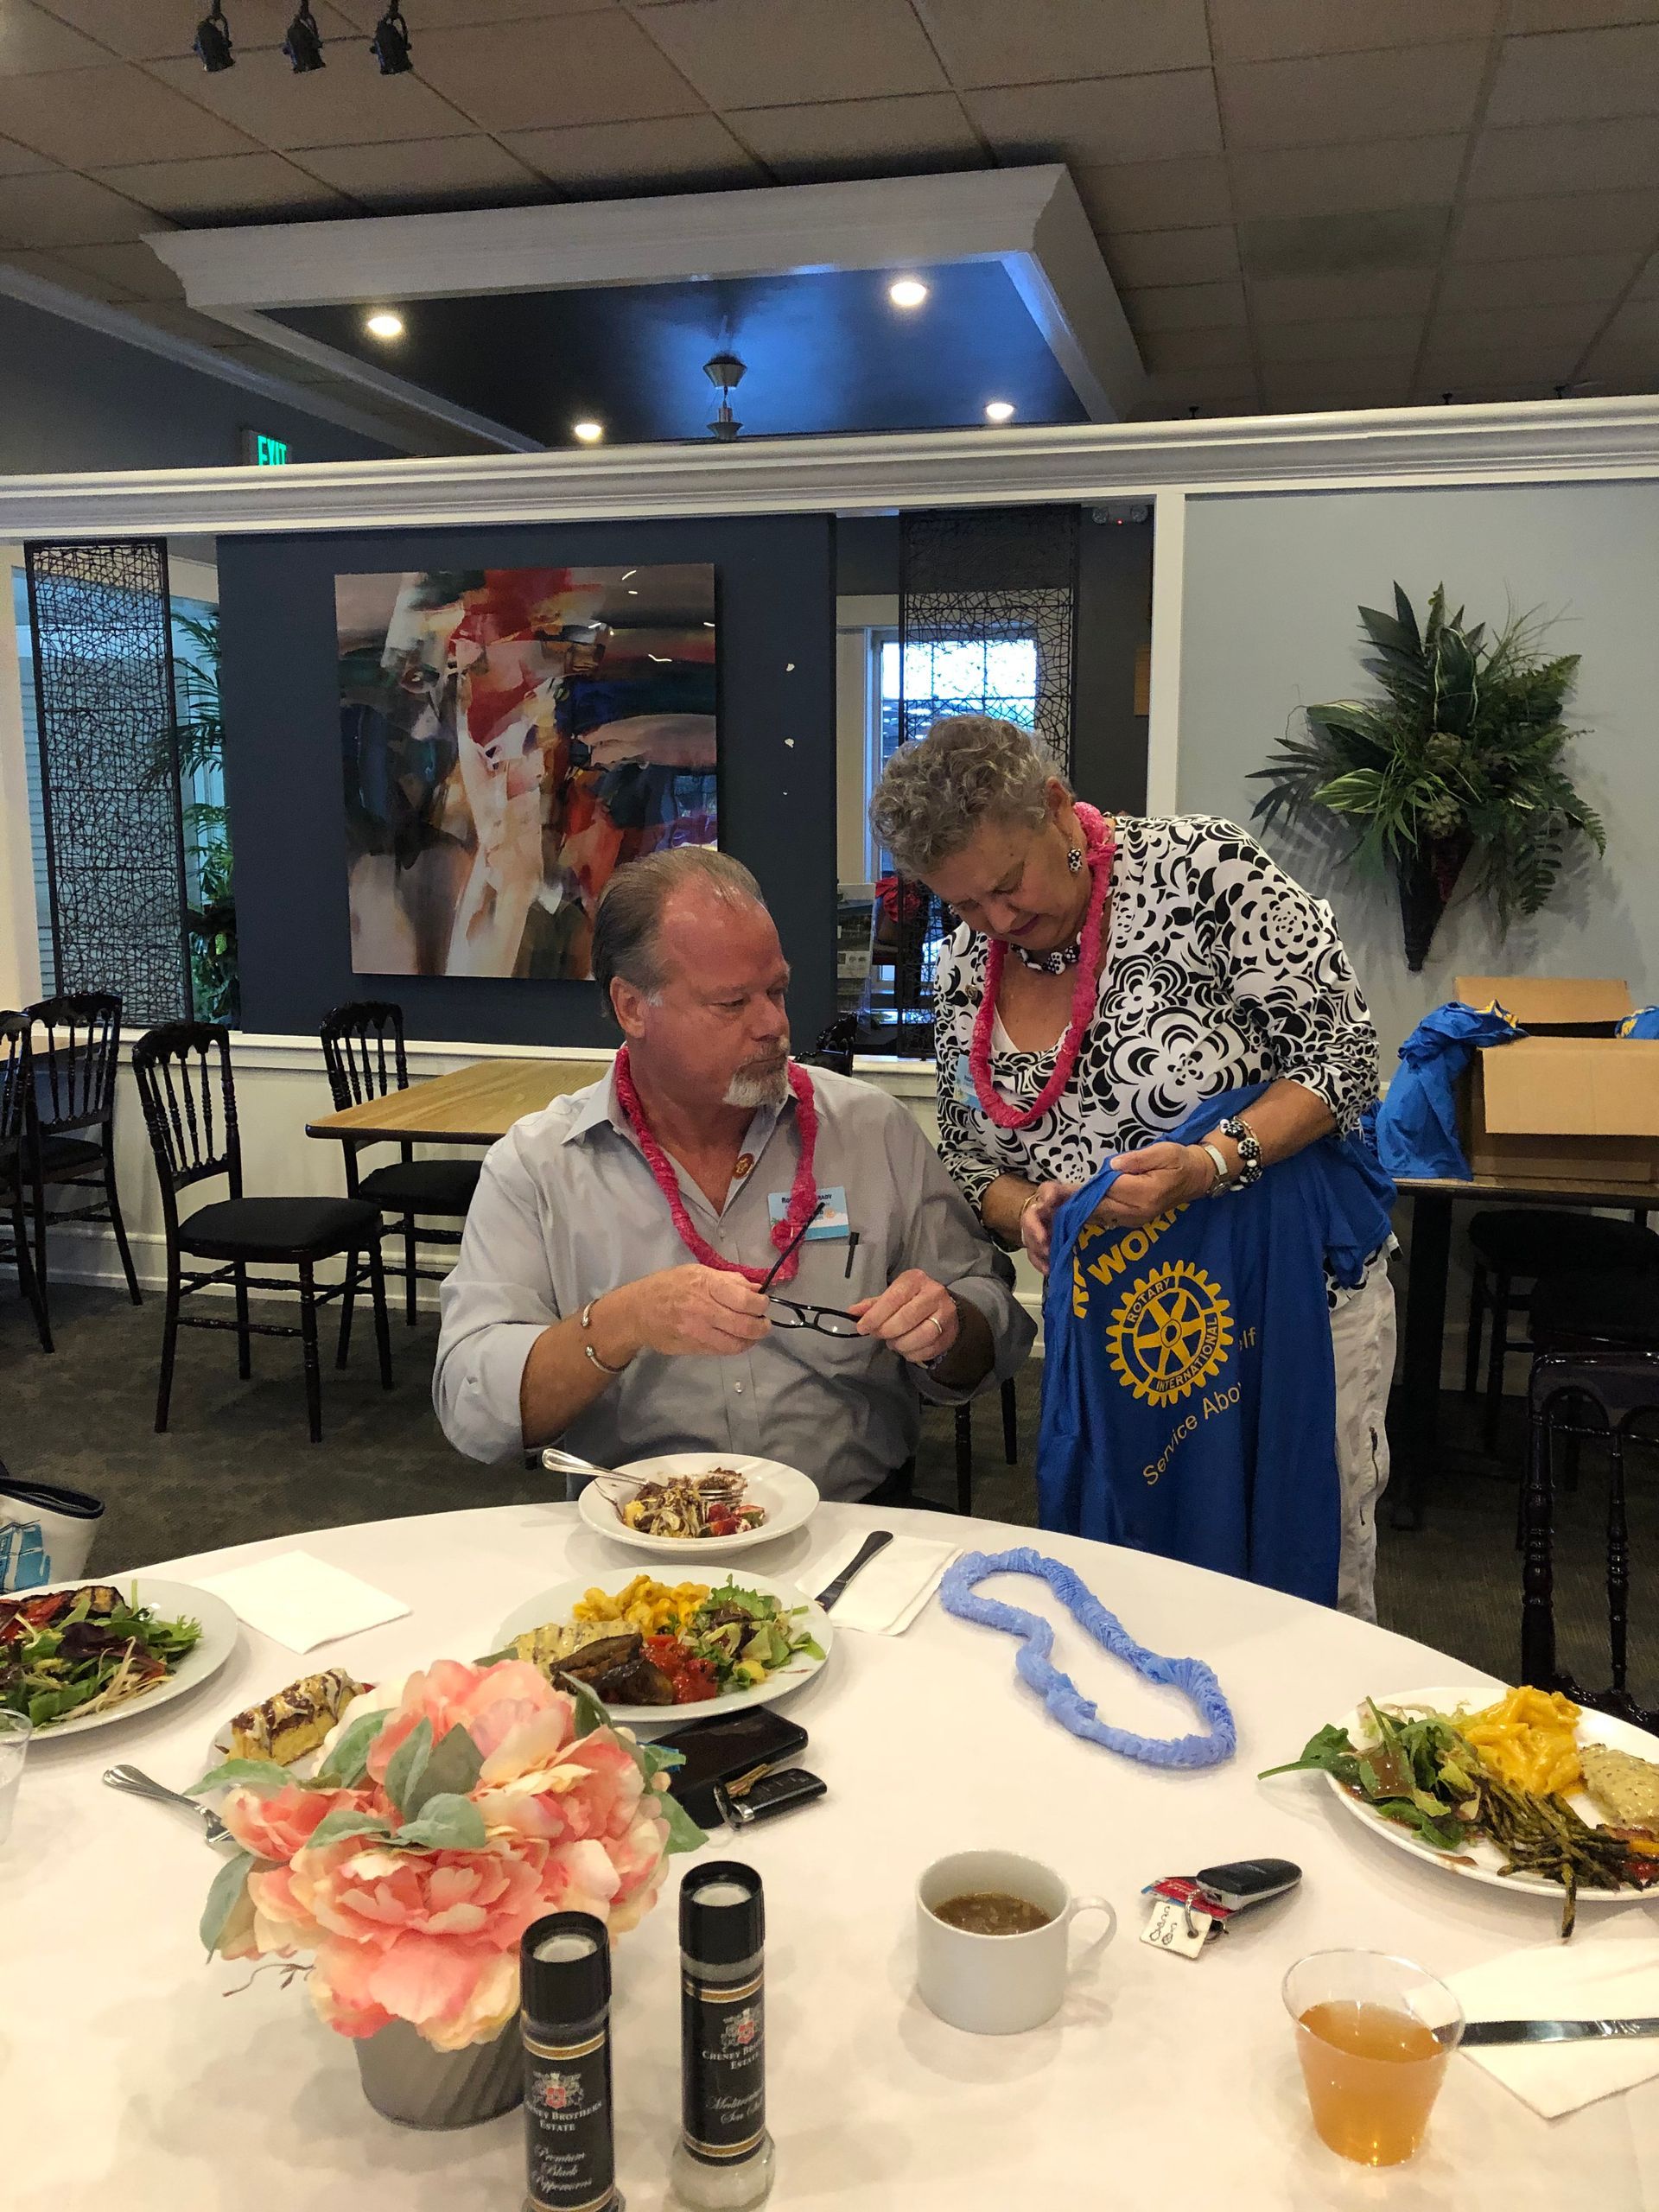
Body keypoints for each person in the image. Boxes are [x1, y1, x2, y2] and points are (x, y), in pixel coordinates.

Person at [868, 715, 1394, 1615]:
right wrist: (1030, 1210)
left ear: (1055, 809)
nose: (999, 922)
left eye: (1009, 885)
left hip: (1283, 1309)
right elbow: (970, 1156)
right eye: (966, 905)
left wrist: (1209, 1163)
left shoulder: (1204, 872)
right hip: (1128, 1335)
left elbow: (1341, 1058)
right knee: (1136, 1585)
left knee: (1301, 1581)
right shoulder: (966, 963)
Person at [434, 847, 1033, 1498]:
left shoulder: (870, 1130)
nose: (774, 1024)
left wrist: (950, 1326)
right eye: (731, 1003)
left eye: (776, 990)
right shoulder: (540, 1166)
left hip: (850, 1518)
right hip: (643, 1536)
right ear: (632, 1007)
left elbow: (994, 1320)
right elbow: (473, 1410)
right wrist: (621, 1322)